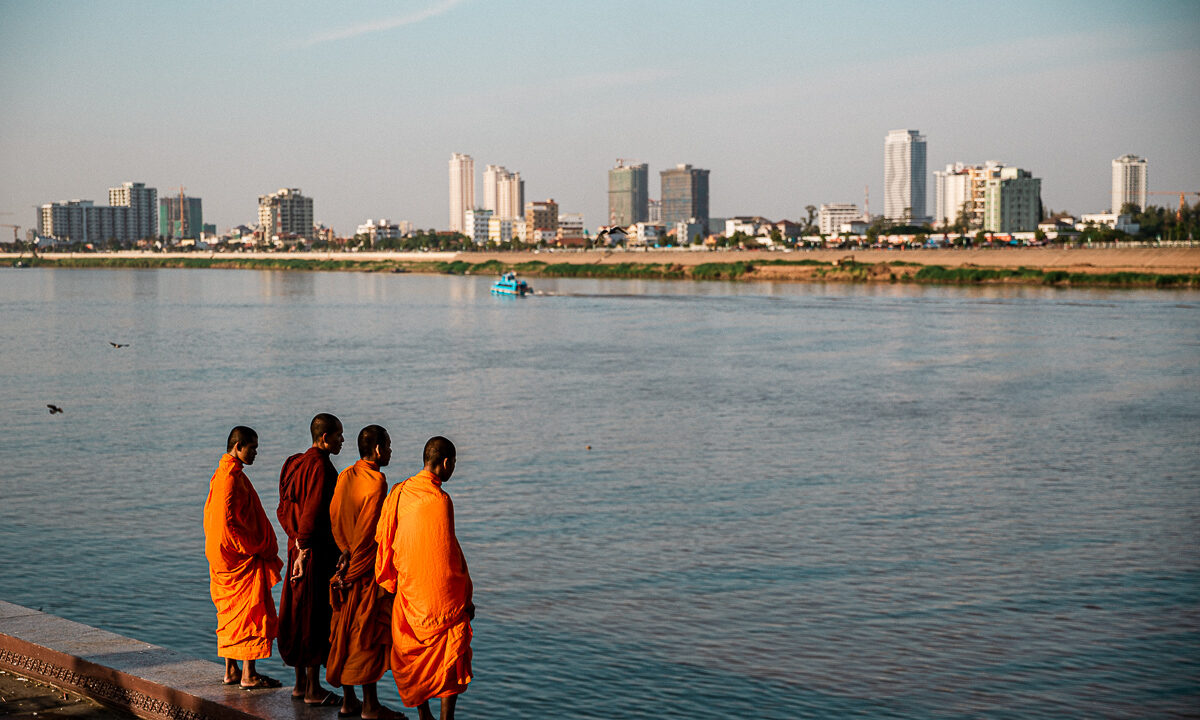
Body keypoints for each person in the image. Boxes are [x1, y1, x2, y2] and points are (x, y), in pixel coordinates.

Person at [375, 436, 474, 720]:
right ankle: (446, 718)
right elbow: (446, 557)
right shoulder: (439, 500)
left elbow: (387, 540)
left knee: (412, 655)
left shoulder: (401, 492)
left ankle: (424, 715)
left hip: (409, 592)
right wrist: (465, 596)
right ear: (445, 463)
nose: (453, 468)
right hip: (440, 597)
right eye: (453, 463)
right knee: (450, 651)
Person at [326, 425, 402, 720]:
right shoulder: (377, 482)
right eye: (390, 446)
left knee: (343, 633)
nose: (391, 452)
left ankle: (348, 701)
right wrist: (358, 561)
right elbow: (371, 532)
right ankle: (370, 706)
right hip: (362, 570)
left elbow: (335, 516)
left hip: (343, 563)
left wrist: (343, 552)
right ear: (379, 450)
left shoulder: (345, 476)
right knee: (365, 636)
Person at [202, 426, 283, 690]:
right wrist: (251, 547)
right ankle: (248, 675)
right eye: (253, 448)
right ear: (238, 446)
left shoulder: (224, 474)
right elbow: (227, 524)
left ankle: (231, 671)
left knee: (229, 614)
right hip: (238, 559)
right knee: (249, 613)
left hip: (223, 559)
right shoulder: (228, 478)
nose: (256, 453)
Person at [277, 412, 344, 707]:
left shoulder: (296, 462)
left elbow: (283, 508)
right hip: (312, 553)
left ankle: (300, 684)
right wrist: (303, 550)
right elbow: (313, 513)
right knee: (314, 616)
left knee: (298, 613)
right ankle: (314, 689)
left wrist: (295, 543)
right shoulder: (319, 467)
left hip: (297, 547)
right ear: (325, 437)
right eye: (339, 435)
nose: (343, 440)